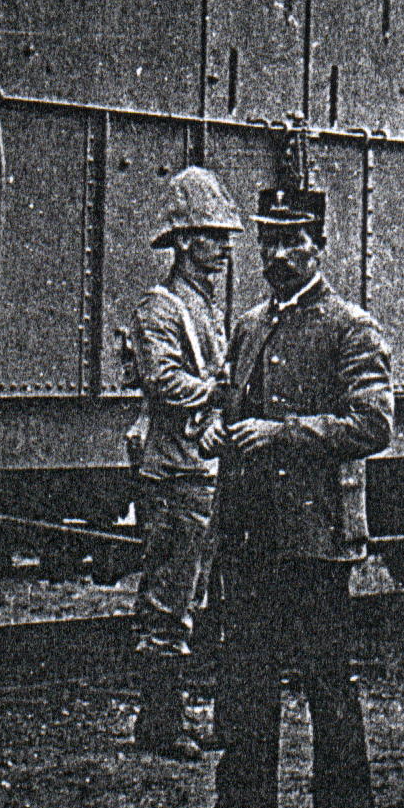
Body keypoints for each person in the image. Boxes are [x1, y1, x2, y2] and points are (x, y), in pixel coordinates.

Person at [195, 183, 392, 808]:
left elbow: (374, 423)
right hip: (251, 533)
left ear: (320, 246)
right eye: (270, 242)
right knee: (246, 678)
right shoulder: (250, 325)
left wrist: (284, 433)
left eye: (294, 241)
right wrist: (218, 429)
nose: (279, 255)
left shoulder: (350, 326)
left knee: (326, 681)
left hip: (313, 538)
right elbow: (231, 404)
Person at [126, 166, 241, 761]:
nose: (223, 249)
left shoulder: (203, 305)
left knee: (196, 598)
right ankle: (159, 723)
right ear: (185, 241)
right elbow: (164, 380)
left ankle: (184, 716)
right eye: (212, 237)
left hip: (203, 471)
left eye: (224, 238)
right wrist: (221, 392)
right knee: (169, 603)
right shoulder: (161, 307)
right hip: (175, 475)